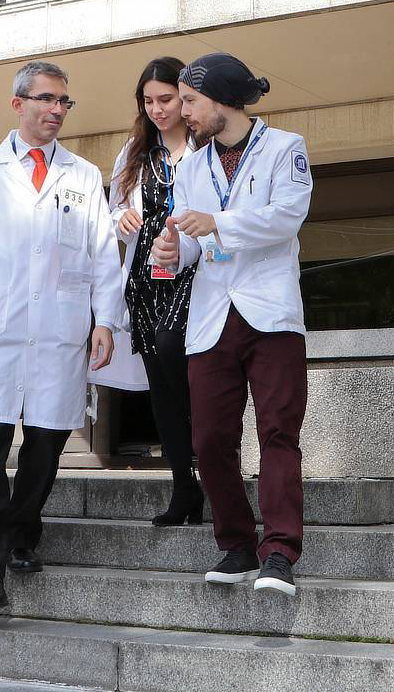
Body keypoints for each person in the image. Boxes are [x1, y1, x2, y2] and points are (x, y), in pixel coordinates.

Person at [0, 61, 122, 610]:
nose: (56, 110)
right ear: (18, 105)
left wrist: (105, 320)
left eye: (64, 101)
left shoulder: (84, 176)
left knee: (45, 445)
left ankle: (20, 533)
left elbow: (103, 256)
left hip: (58, 332)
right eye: (46, 99)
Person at [151, 53, 312, 596]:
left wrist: (217, 222)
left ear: (221, 99)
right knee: (211, 437)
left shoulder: (285, 149)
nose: (183, 113)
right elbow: (194, 246)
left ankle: (281, 551)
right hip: (213, 317)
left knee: (277, 431)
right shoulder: (190, 167)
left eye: (191, 102)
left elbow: (286, 217)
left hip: (271, 315)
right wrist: (175, 250)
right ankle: (237, 544)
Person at [92, 57, 202, 526]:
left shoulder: (207, 147)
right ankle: (183, 488)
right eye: (148, 101)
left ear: (185, 97)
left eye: (166, 99)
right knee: (161, 385)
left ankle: (214, 476)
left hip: (195, 278)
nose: (158, 110)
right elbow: (114, 213)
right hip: (143, 280)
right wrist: (121, 219)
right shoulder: (136, 153)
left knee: (190, 374)